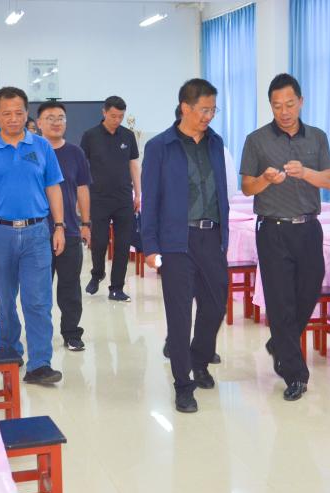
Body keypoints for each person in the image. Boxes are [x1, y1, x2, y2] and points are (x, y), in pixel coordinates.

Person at [240, 73, 330, 401]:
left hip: (308, 228)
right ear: (270, 106)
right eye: (277, 106)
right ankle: (295, 374)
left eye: (290, 104)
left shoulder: (317, 138)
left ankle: (280, 341)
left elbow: (329, 180)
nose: (284, 112)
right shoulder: (256, 140)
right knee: (280, 301)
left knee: (309, 290)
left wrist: (305, 172)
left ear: (301, 102)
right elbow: (247, 187)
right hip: (273, 230)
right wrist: (265, 180)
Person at [0, 86, 66, 385]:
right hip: (0, 233)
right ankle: (10, 350)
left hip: (37, 232)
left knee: (38, 301)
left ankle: (40, 364)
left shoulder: (42, 146)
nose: (13, 118)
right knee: (6, 298)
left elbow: (53, 187)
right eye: (6, 113)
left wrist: (60, 226)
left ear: (27, 114)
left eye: (19, 112)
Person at [142, 78, 230, 413]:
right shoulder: (160, 147)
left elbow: (221, 190)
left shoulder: (215, 142)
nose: (209, 116)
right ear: (185, 108)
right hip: (176, 240)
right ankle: (183, 385)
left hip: (211, 237)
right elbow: (150, 199)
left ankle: (200, 359)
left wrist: (224, 237)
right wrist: (150, 246)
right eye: (204, 110)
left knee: (216, 306)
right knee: (179, 316)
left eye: (213, 110)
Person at [37, 101, 92, 352]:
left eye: (61, 118)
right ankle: (41, 335)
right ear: (39, 123)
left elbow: (82, 189)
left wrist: (86, 223)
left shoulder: (75, 153)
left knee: (70, 286)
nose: (56, 122)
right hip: (37, 232)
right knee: (39, 290)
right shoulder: (31, 151)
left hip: (69, 230)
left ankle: (71, 333)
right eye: (50, 118)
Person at [80, 96, 141, 302]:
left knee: (123, 244)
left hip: (123, 198)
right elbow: (82, 168)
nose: (117, 120)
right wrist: (81, 196)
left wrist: (138, 193)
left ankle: (116, 288)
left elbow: (133, 165)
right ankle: (97, 274)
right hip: (98, 198)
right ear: (104, 112)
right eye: (113, 116)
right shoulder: (90, 136)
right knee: (99, 242)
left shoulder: (128, 136)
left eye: (121, 116)